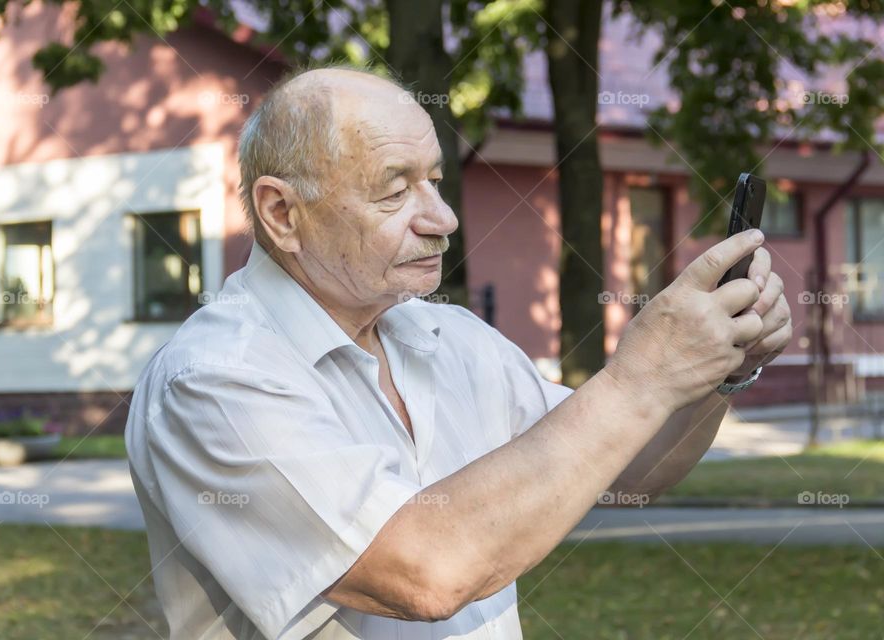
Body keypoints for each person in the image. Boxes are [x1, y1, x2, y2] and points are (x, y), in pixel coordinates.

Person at [125, 65, 792, 640]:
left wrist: (717, 369)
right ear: (281, 213)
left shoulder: (452, 338)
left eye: (435, 181)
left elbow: (628, 470)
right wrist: (639, 376)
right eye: (395, 188)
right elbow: (423, 572)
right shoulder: (213, 381)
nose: (441, 217)